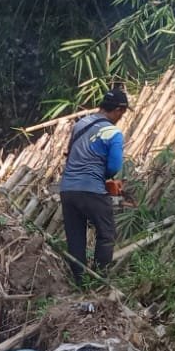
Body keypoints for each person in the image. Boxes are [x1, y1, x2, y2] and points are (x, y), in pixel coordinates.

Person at [58, 86, 129, 286]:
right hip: (91, 189)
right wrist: (104, 177)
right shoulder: (114, 133)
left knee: (75, 237)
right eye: (122, 113)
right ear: (119, 110)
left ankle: (79, 282)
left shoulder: (80, 124)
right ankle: (98, 281)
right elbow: (114, 166)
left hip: (67, 190)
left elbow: (71, 153)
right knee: (106, 234)